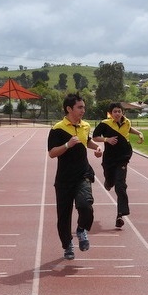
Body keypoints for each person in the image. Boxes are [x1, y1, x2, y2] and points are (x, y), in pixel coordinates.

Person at [47, 93, 102, 260]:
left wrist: (97, 148)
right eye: (80, 107)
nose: (83, 110)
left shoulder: (85, 126)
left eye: (84, 107)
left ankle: (81, 229)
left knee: (86, 206)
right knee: (64, 216)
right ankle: (67, 245)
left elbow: (87, 141)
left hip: (83, 174)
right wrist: (67, 145)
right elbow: (51, 153)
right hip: (64, 179)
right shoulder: (57, 129)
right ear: (69, 109)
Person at [92, 102, 144, 228]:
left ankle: (120, 215)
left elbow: (129, 128)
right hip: (109, 159)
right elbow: (94, 137)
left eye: (119, 111)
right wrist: (107, 140)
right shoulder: (105, 124)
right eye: (114, 111)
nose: (117, 113)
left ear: (122, 112)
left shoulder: (126, 122)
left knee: (120, 186)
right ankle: (108, 183)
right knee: (110, 182)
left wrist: (139, 133)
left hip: (123, 157)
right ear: (111, 113)